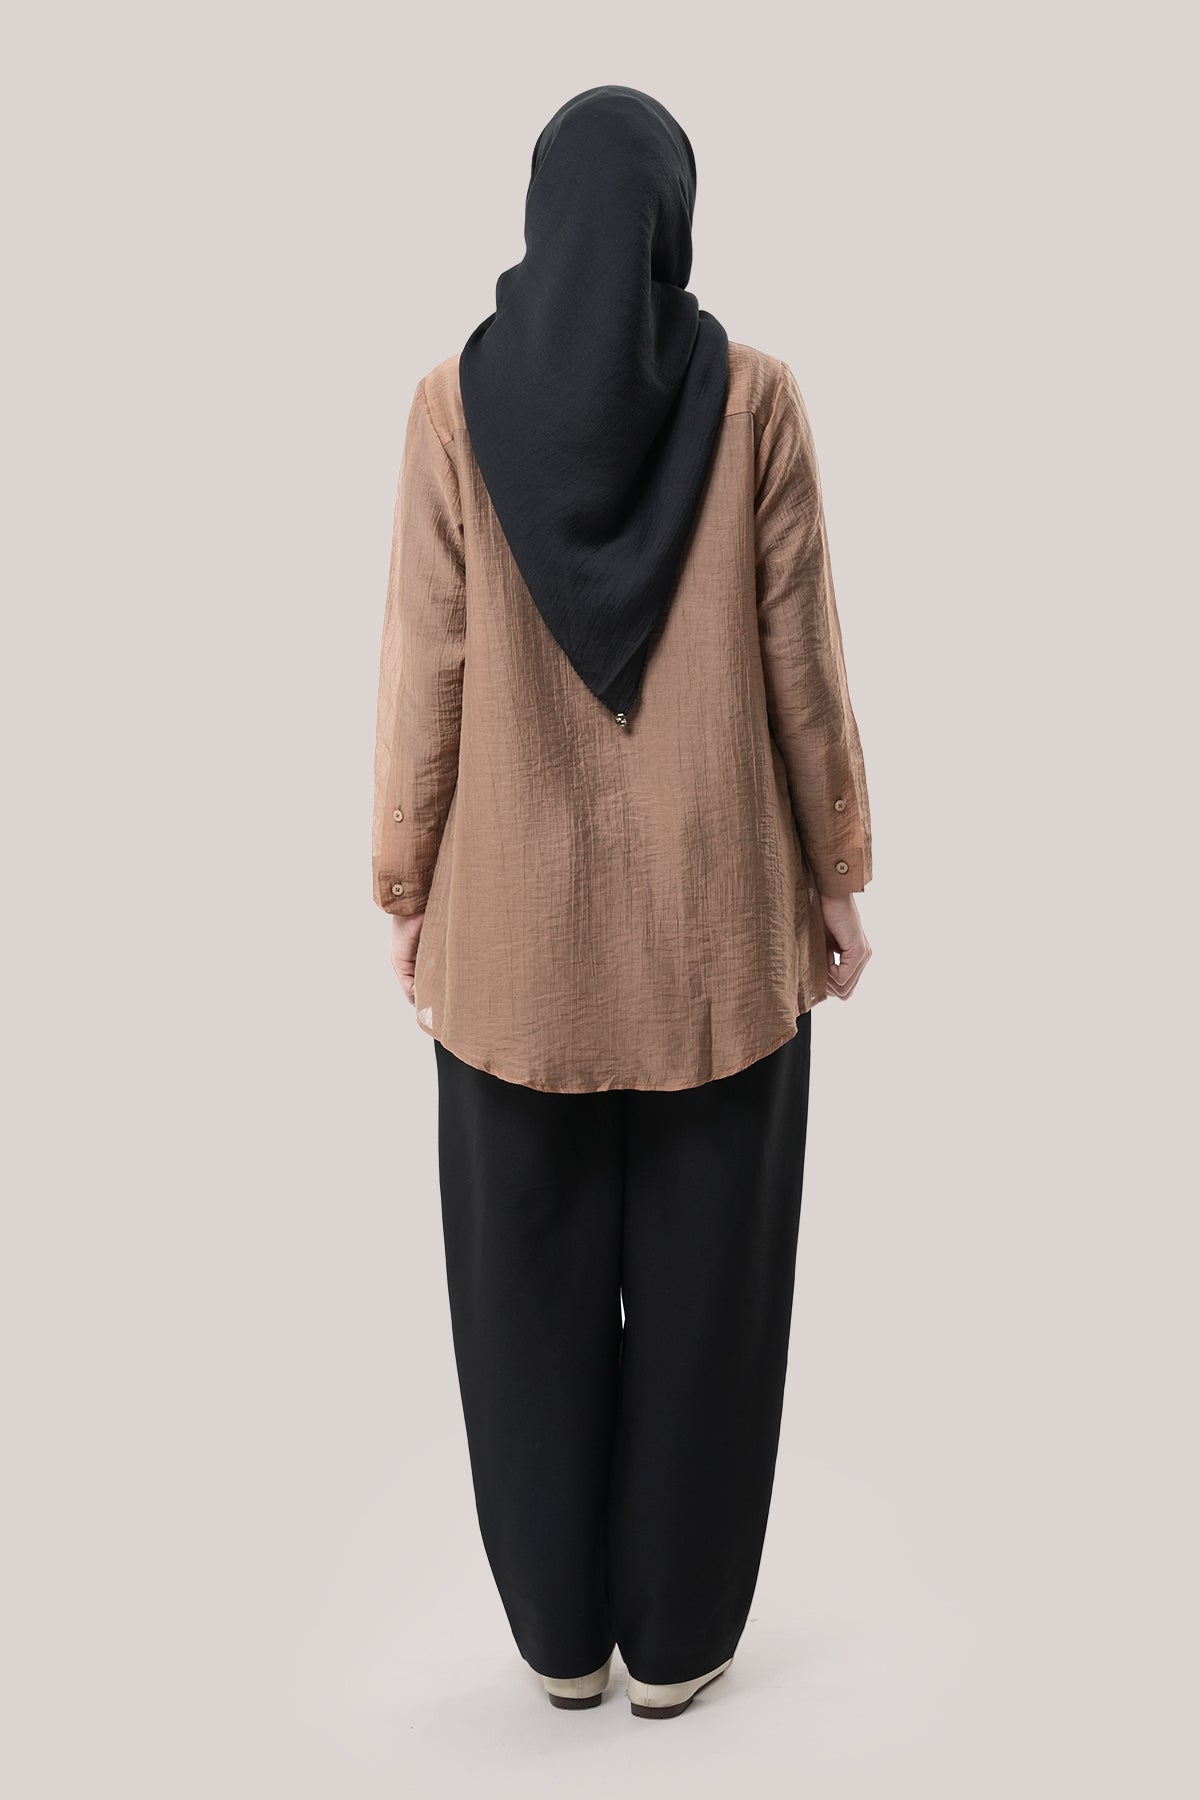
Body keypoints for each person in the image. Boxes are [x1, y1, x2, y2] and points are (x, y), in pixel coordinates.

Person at [371, 85, 873, 1719]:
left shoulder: (451, 409)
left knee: (520, 1299)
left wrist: (406, 882)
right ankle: (678, 1644)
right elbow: (801, 668)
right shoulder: (757, 401)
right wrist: (839, 874)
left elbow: (427, 672)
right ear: (672, 224)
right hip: (720, 938)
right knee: (715, 1295)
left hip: (510, 947)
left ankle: (557, 1643)